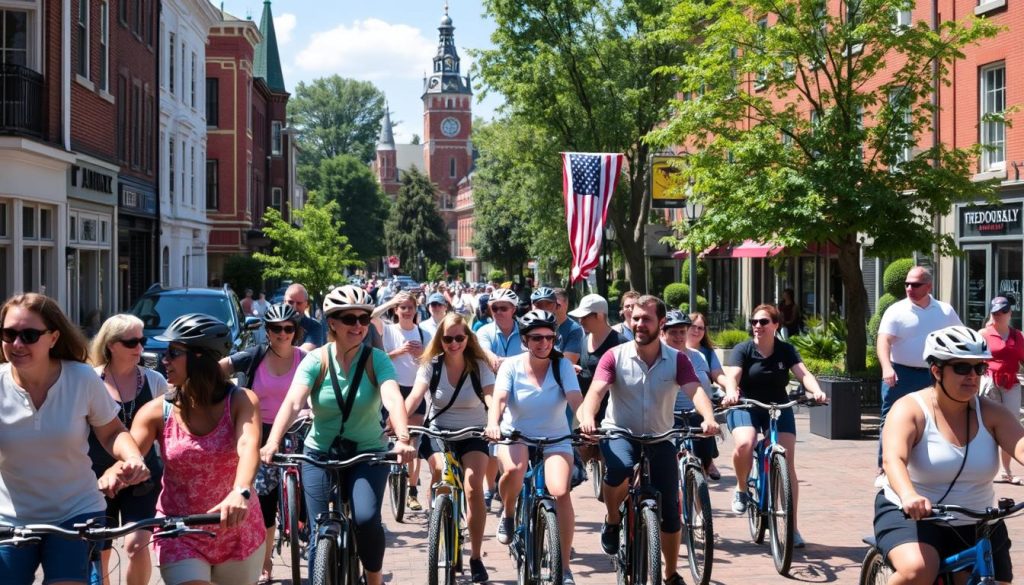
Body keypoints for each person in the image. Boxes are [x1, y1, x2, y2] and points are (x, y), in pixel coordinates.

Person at [260, 285, 416, 585]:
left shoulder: (376, 360)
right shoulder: (316, 360)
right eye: (349, 319)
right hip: (319, 453)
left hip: (368, 452)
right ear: (332, 322)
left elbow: (393, 398)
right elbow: (293, 402)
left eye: (363, 318)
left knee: (366, 519)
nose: (358, 325)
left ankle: (374, 579)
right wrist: (272, 442)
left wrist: (404, 439)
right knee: (319, 529)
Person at [0, 293, 149, 585]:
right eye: (9, 334)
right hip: (11, 517)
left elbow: (112, 432)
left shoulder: (81, 378)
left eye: (29, 335)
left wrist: (133, 457)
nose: (17, 344)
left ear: (53, 338)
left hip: (75, 512)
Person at [578, 295, 719, 585]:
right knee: (620, 469)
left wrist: (708, 417)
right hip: (621, 431)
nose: (639, 324)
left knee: (669, 508)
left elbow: (696, 391)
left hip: (660, 436)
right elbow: (596, 392)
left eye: (647, 319)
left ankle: (669, 573)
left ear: (661, 323)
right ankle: (613, 520)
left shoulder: (677, 359)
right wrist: (588, 417)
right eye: (636, 318)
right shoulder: (614, 356)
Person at [876, 326, 1024, 585]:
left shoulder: (992, 412)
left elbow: (1021, 444)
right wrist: (909, 495)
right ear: (936, 370)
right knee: (919, 570)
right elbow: (893, 459)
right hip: (914, 514)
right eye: (961, 368)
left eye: (978, 368)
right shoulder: (910, 409)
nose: (972, 376)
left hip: (977, 518)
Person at [122, 313, 263, 584]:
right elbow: (130, 452)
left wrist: (240, 492)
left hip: (237, 530)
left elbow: (248, 444)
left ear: (201, 357)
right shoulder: (155, 411)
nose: (165, 360)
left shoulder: (241, 400)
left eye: (173, 352)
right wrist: (118, 471)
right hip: (180, 531)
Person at [485, 310, 584, 585]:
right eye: (537, 338)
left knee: (560, 491)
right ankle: (507, 513)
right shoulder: (511, 366)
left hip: (555, 437)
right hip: (516, 434)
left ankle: (564, 568)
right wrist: (493, 423)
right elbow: (500, 399)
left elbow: (576, 398)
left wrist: (587, 420)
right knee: (515, 470)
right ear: (525, 340)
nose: (544, 343)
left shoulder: (561, 365)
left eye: (549, 338)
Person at [721, 304, 827, 548]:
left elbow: (804, 374)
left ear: (776, 325)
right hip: (746, 404)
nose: (757, 326)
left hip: (778, 407)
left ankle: (792, 527)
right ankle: (741, 488)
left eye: (764, 322)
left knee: (786, 461)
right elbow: (733, 376)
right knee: (746, 442)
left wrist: (817, 390)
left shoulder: (785, 350)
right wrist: (730, 392)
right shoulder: (743, 349)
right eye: (754, 322)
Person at [219, 303, 306, 583]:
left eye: (288, 329)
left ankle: (304, 524)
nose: (282, 334)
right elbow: (221, 368)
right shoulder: (255, 356)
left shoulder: (306, 360)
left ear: (296, 331)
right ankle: (266, 562)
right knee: (265, 501)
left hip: (296, 429)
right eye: (276, 329)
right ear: (267, 332)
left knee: (313, 482)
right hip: (259, 431)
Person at [405, 313, 495, 583]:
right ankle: (441, 518)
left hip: (474, 432)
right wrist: (397, 422)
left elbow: (491, 396)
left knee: (472, 485)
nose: (454, 343)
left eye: (459, 337)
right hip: (439, 431)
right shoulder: (431, 365)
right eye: (448, 338)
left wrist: (493, 422)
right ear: (440, 340)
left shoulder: (479, 365)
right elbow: (415, 396)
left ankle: (476, 556)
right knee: (442, 474)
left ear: (467, 338)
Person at [87, 314, 169, 585]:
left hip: (142, 475)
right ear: (111, 344)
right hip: (97, 477)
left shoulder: (154, 380)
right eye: (131, 341)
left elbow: (166, 427)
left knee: (137, 544)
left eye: (142, 340)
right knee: (100, 549)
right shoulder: (90, 380)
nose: (140, 348)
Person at [877, 266, 962, 473]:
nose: (909, 288)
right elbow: (883, 341)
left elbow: (960, 335)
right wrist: (887, 367)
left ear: (929, 286)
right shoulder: (896, 310)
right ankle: (884, 467)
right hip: (901, 374)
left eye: (915, 284)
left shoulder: (944, 310)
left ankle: (933, 465)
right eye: (907, 284)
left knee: (936, 417)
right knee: (890, 418)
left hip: (933, 374)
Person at [376, 291, 432, 511]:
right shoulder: (388, 330)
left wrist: (421, 355)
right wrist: (398, 352)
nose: (407, 311)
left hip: (415, 391)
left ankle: (412, 490)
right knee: (390, 439)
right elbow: (371, 317)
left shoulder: (423, 333)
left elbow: (431, 363)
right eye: (402, 307)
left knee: (413, 444)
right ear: (396, 310)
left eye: (410, 307)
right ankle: (389, 480)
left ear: (416, 310)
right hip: (392, 391)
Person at [660, 311, 722, 480]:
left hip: (695, 413)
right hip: (666, 417)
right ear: (662, 332)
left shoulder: (699, 356)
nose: (679, 336)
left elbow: (705, 385)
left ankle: (705, 468)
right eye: (673, 332)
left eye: (682, 331)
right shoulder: (657, 357)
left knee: (704, 445)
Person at [567, 293, 624, 465]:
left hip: (611, 412)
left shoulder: (620, 343)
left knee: (613, 463)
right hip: (586, 408)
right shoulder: (585, 340)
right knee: (577, 456)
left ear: (599, 316)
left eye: (584, 317)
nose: (580, 321)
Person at [979, 296, 1024, 485]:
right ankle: (986, 471)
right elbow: (974, 359)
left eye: (1003, 312)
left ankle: (1006, 471)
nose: (999, 315)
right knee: (988, 426)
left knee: (1011, 425)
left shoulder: (1018, 336)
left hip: (1011, 383)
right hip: (990, 382)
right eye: (995, 312)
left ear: (1010, 313)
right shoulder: (983, 334)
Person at [531, 287, 584, 364]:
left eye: (550, 304)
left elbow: (568, 363)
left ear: (566, 305)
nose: (546, 309)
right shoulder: (534, 327)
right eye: (542, 304)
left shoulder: (574, 330)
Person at [285, 283, 325, 351]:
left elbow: (304, 353)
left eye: (299, 303)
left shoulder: (314, 326)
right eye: (290, 302)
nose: (294, 307)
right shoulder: (276, 324)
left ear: (306, 304)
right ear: (284, 302)